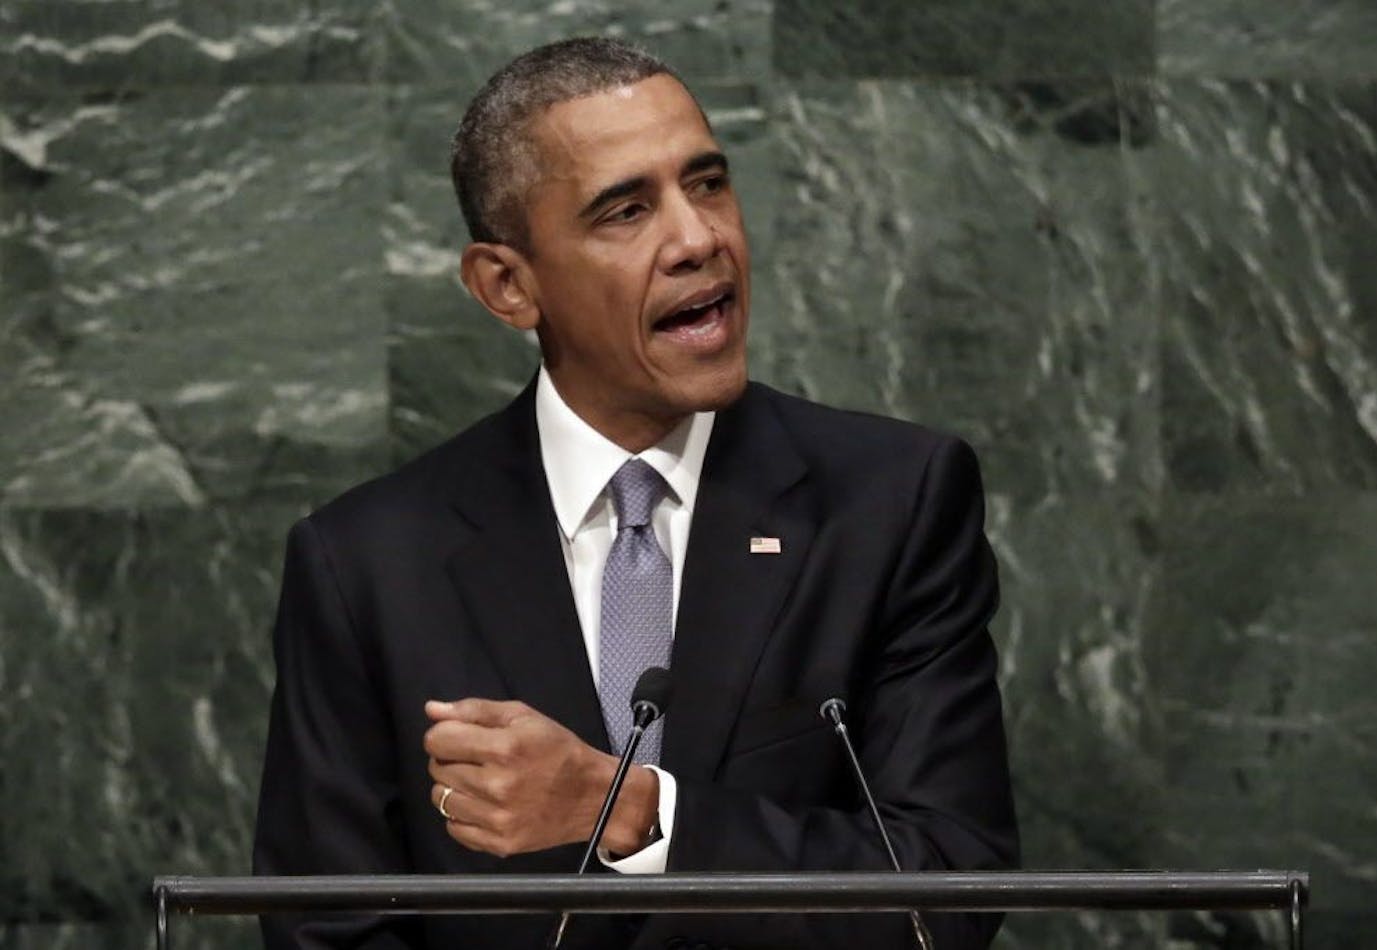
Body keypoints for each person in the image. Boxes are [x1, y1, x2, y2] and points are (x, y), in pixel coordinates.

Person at [253, 36, 1018, 949]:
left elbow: (948, 884)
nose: (699, 238)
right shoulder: (368, 563)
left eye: (707, 183)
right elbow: (327, 930)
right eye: (625, 210)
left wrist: (635, 815)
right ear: (507, 285)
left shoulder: (889, 504)